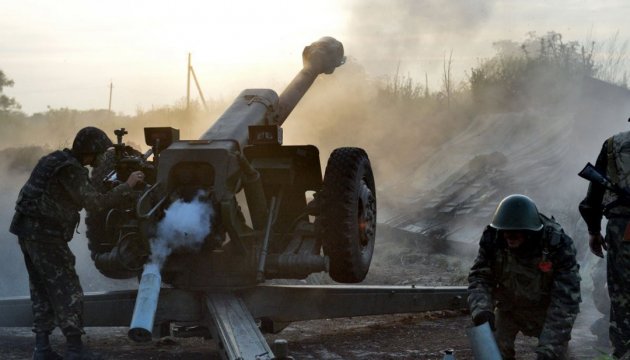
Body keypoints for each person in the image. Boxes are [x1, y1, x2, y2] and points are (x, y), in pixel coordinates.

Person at [9, 127, 145, 360]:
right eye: (100, 153)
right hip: (46, 236)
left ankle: (41, 349)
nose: (103, 157)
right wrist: (128, 185)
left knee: (41, 289)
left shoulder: (54, 160)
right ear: (90, 153)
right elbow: (95, 204)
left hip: (27, 231)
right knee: (68, 290)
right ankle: (74, 349)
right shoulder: (72, 170)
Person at [468, 194, 581, 359]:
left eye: (516, 234)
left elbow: (566, 301)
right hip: (508, 308)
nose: (509, 238)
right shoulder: (493, 237)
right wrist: (481, 310)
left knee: (551, 354)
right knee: (490, 353)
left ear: (530, 232)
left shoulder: (557, 244)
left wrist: (550, 347)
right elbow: (480, 277)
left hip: (546, 311)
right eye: (506, 233)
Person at [579, 132, 630, 358]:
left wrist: (593, 230)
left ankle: (624, 350)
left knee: (622, 297)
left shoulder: (612, 145)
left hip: (621, 228)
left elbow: (594, 196)